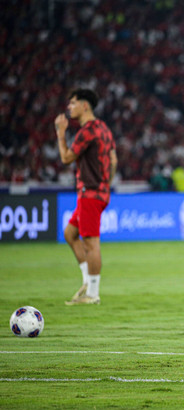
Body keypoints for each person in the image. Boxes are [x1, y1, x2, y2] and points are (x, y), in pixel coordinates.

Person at [55, 89, 117, 305]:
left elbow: (65, 158)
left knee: (91, 243)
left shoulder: (87, 131)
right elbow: (114, 160)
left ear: (85, 106)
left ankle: (93, 293)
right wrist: (106, 186)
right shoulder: (104, 129)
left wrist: (61, 133)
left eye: (73, 103)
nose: (69, 107)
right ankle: (86, 282)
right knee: (70, 233)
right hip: (99, 192)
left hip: (89, 193)